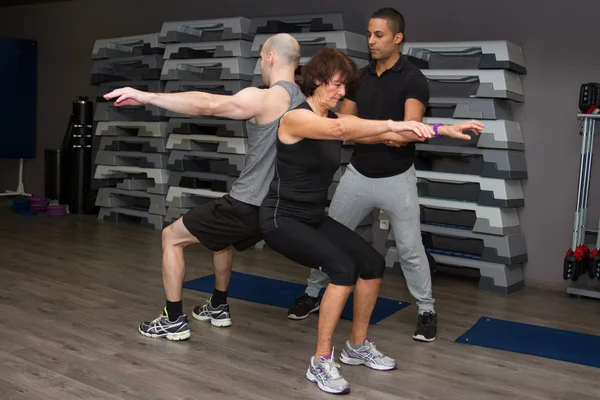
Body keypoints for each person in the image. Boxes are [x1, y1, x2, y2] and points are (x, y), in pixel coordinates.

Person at [258, 48, 483, 394]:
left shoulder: (332, 120)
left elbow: (390, 138)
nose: (342, 93)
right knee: (342, 270)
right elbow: (342, 129)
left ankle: (356, 345)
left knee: (373, 263)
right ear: (316, 81)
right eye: (336, 86)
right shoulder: (295, 118)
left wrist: (442, 128)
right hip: (281, 219)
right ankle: (320, 361)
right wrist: (395, 121)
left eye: (344, 87)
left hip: (313, 218)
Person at [287, 7, 481, 343]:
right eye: (369, 34)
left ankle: (426, 310)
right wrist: (384, 134)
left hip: (397, 179)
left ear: (398, 38)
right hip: (358, 176)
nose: (371, 41)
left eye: (379, 35)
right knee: (328, 238)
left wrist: (386, 133)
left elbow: (407, 131)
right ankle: (312, 293)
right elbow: (344, 130)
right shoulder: (359, 78)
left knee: (409, 248)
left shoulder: (413, 79)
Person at [103, 33, 305, 340]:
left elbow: (207, 104)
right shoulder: (304, 101)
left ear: (270, 58)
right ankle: (218, 305)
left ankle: (172, 319)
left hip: (248, 203)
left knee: (171, 237)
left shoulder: (267, 97)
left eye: (260, 57)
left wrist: (147, 96)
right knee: (220, 240)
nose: (260, 64)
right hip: (275, 207)